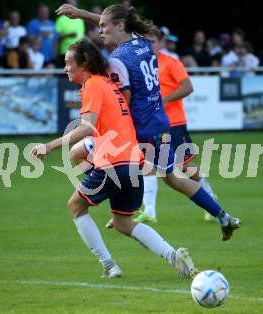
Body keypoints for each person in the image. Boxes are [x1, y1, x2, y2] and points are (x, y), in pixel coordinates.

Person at [56, 3, 241, 241]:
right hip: (161, 123)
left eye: (103, 26)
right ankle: (222, 216)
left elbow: (124, 102)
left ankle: (120, 207)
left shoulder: (117, 61)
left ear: (120, 25)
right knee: (173, 178)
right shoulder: (142, 43)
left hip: (139, 129)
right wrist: (81, 14)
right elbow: (114, 22)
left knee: (76, 154)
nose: (99, 31)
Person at [30, 38, 198, 279]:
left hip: (113, 163)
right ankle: (174, 257)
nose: (65, 68)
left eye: (68, 63)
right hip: (133, 164)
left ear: (84, 62)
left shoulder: (93, 85)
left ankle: (109, 266)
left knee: (75, 206)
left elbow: (87, 126)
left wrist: (50, 146)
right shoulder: (108, 84)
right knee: (122, 222)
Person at [134, 26, 219, 223]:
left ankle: (211, 198)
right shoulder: (141, 64)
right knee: (147, 163)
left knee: (184, 167)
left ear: (162, 43)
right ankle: (149, 211)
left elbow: (188, 87)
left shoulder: (171, 63)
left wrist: (165, 100)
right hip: (152, 124)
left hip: (174, 123)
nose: (149, 45)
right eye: (146, 41)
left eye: (153, 41)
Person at [55, 0, 85, 67]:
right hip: (65, 53)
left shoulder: (80, 19)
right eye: (71, 5)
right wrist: (68, 35)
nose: (74, 8)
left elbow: (82, 36)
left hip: (79, 53)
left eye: (75, 6)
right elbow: (57, 38)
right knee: (67, 76)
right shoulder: (60, 19)